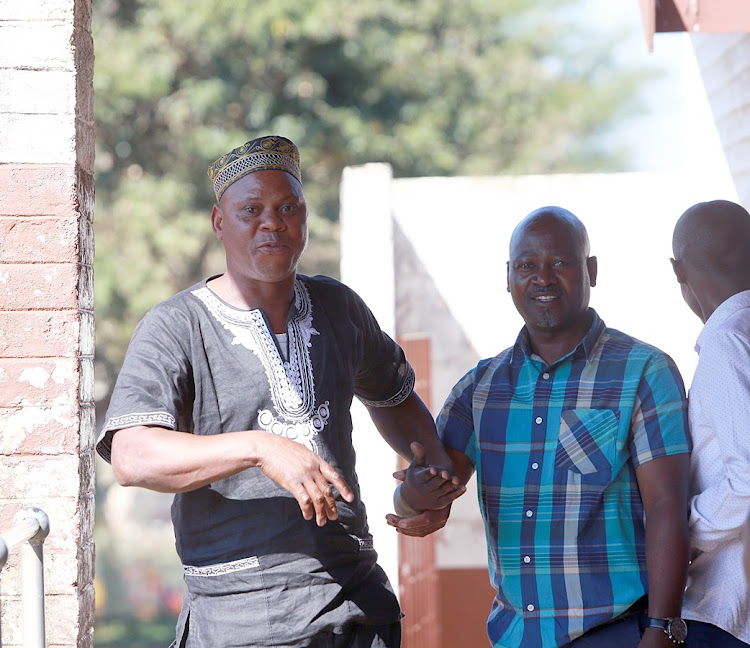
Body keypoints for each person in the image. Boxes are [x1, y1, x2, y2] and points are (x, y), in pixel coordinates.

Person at [96, 135, 461, 648]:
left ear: (305, 219)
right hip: (242, 615)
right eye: (251, 209)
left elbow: (394, 395)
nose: (272, 221)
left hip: (357, 606)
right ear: (219, 222)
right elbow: (133, 457)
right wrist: (258, 447)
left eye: (288, 207)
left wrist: (430, 476)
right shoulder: (176, 326)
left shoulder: (339, 308)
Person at [389, 206, 692, 647]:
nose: (543, 278)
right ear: (508, 276)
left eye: (560, 263)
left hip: (617, 632)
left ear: (590, 270)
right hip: (515, 636)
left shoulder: (643, 371)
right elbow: (423, 490)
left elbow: (669, 505)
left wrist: (663, 628)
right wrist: (416, 493)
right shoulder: (480, 387)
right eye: (527, 265)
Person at [671, 199, 750, 647]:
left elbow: (747, 476)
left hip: (726, 612)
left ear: (678, 271)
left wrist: (683, 533)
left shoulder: (726, 342)